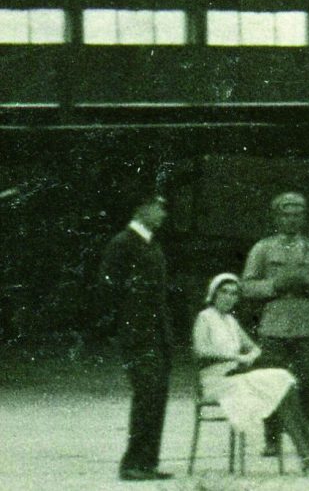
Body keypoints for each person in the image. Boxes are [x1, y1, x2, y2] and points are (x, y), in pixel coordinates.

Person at [238, 191, 309, 458]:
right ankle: (272, 439)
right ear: (276, 217)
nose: (292, 220)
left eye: (297, 214)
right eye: (286, 214)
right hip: (274, 323)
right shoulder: (263, 249)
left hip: (305, 322)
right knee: (271, 382)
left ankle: (306, 437)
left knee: (303, 383)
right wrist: (275, 285)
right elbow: (246, 286)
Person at [193, 274, 309, 472]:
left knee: (283, 380)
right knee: (281, 380)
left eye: (233, 293)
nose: (228, 297)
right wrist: (234, 357)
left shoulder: (231, 320)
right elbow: (201, 350)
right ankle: (307, 444)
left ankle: (306, 454)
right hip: (215, 381)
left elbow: (254, 348)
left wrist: (249, 356)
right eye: (224, 292)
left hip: (236, 375)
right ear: (214, 294)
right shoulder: (205, 317)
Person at [100, 192, 174, 481]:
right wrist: (121, 328)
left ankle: (147, 462)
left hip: (156, 333)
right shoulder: (123, 244)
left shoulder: (151, 244)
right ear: (141, 208)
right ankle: (133, 463)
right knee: (146, 395)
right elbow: (108, 289)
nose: (163, 213)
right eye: (158, 206)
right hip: (137, 334)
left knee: (156, 396)